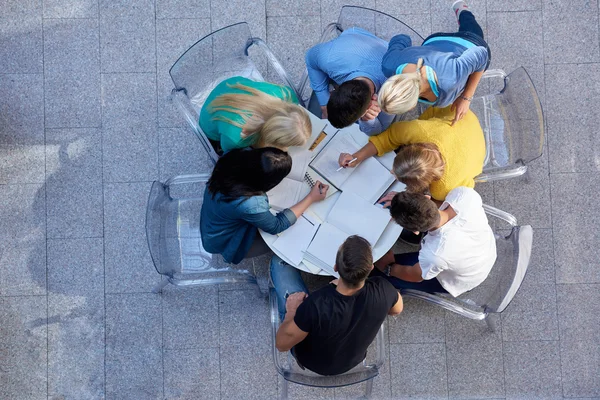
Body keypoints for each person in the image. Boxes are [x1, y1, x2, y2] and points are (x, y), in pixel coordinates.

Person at [273, 235, 403, 376]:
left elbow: (281, 344)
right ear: (371, 268)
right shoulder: (384, 289)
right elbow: (397, 310)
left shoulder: (316, 304)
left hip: (310, 361)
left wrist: (291, 311)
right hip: (353, 361)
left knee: (279, 262)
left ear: (335, 267)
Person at [200, 147, 328, 264]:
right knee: (282, 240)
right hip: (223, 237)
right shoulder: (250, 204)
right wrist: (311, 198)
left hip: (213, 214)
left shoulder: (236, 154)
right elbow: (276, 226)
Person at [338, 105, 485, 202]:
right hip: (461, 115)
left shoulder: (444, 189)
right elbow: (388, 137)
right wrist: (356, 157)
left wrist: (410, 200)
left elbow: (449, 203)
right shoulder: (419, 130)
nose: (391, 171)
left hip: (475, 150)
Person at [378, 1, 490, 125]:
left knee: (473, 29)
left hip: (469, 42)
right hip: (434, 40)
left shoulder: (449, 79)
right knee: (468, 24)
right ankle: (462, 12)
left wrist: (466, 97)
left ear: (411, 107)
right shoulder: (389, 65)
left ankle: (462, 11)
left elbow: (482, 54)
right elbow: (402, 38)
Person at [372, 188, 496, 296]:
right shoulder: (464, 195)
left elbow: (414, 275)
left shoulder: (435, 255)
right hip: (485, 247)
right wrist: (406, 202)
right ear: (427, 197)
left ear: (415, 231)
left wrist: (388, 268)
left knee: (375, 272)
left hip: (469, 276)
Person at [305, 27, 394, 135]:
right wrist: (324, 104)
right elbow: (310, 58)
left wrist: (367, 120)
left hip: (388, 51)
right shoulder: (329, 58)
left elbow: (380, 131)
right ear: (335, 90)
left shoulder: (392, 90)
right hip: (353, 40)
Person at [199, 76, 311, 153]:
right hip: (208, 121)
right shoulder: (237, 138)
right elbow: (227, 150)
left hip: (231, 85)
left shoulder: (286, 94)